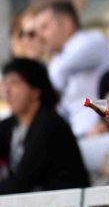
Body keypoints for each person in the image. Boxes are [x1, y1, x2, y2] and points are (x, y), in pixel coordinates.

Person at [0, 58, 89, 195]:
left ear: (36, 90)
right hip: (31, 203)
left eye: (14, 83)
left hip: (62, 204)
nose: (7, 91)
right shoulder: (10, 125)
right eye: (4, 83)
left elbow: (23, 181)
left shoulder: (48, 124)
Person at [34, 0, 109, 138]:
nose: (39, 36)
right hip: (80, 135)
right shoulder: (58, 57)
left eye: (45, 27)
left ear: (66, 24)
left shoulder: (90, 41)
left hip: (103, 132)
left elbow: (53, 77)